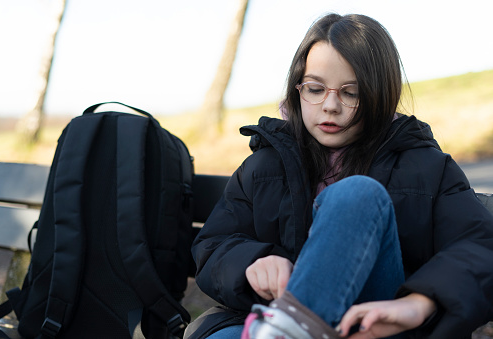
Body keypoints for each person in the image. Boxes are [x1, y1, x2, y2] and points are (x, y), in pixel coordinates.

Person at [186, 13, 493, 339]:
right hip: (266, 317)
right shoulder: (265, 166)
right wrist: (252, 262)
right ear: (297, 89)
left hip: (376, 328)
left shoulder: (425, 167)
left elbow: (480, 248)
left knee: (358, 194)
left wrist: (419, 302)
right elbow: (214, 245)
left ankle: (292, 330)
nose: (330, 105)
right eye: (315, 88)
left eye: (351, 93)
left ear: (379, 94)